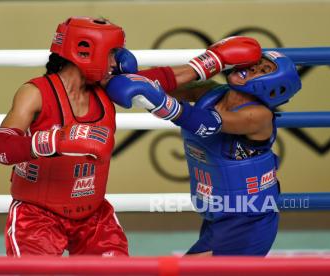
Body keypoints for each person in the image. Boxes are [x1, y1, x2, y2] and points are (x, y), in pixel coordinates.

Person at [106, 44, 302, 255]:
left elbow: (206, 123)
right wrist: (128, 76)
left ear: (273, 85)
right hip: (218, 215)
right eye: (255, 63)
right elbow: (161, 87)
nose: (253, 68)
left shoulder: (258, 116)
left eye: (264, 70)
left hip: (248, 221)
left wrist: (156, 99)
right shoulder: (211, 93)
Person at [0, 16, 137, 256]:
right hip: (36, 217)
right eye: (111, 53)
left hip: (94, 217)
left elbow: (166, 80)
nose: (115, 62)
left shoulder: (110, 89)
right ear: (85, 52)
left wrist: (211, 61)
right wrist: (54, 141)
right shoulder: (35, 93)